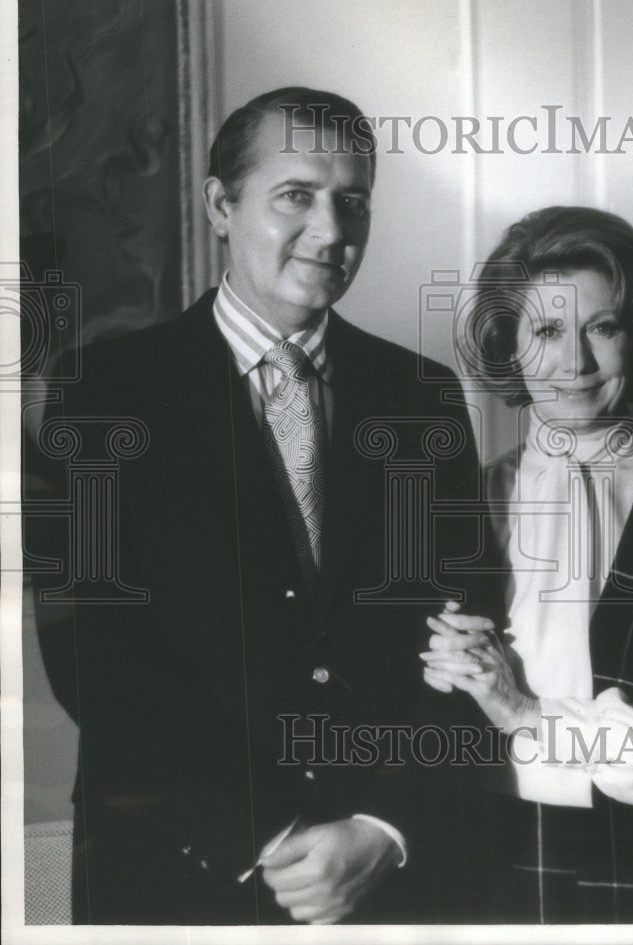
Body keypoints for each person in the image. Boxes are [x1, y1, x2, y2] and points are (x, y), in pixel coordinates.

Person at [26, 87, 498, 925]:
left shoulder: (420, 397)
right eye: (296, 195)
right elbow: (94, 652)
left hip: (385, 873)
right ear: (220, 204)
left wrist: (381, 826)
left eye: (352, 201)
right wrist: (270, 834)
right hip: (177, 868)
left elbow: (465, 624)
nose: (331, 230)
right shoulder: (100, 393)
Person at [421, 206, 633, 924]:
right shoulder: (459, 496)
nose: (574, 363)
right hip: (470, 846)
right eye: (547, 330)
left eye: (601, 328)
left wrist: (524, 714)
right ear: (506, 346)